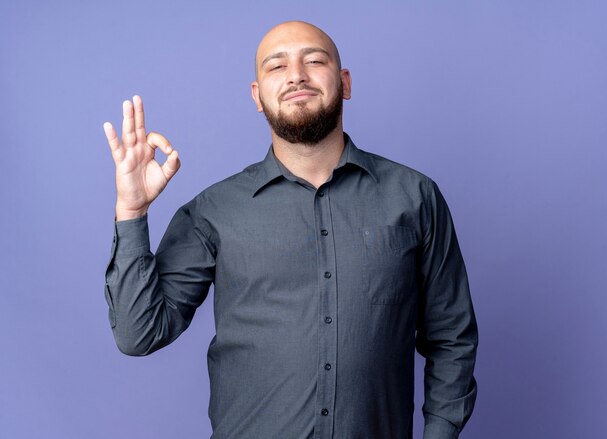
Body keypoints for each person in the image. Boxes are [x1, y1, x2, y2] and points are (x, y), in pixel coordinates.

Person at [103, 20, 478, 439]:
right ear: (257, 96)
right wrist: (132, 210)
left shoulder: (415, 197)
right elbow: (139, 333)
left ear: (345, 82)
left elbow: (452, 338)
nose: (296, 74)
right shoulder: (213, 211)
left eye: (314, 60)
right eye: (276, 66)